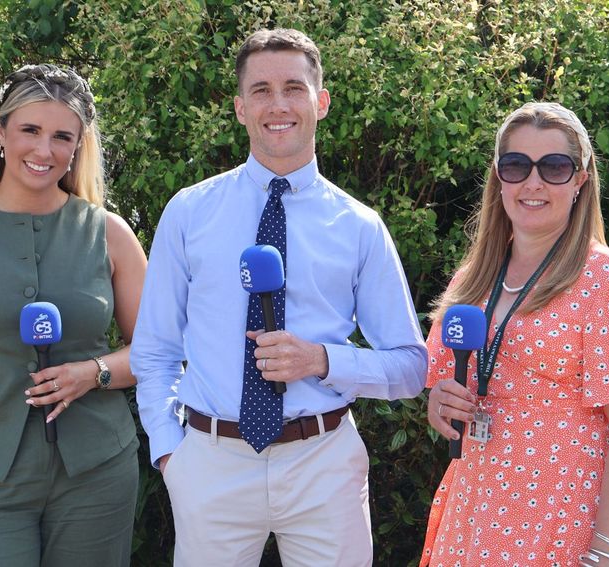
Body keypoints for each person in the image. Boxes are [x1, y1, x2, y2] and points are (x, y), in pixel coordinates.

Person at [130, 28, 427, 566]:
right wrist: (170, 452)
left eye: (293, 87)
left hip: (324, 465)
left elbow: (410, 368)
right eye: (261, 90)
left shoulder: (359, 226)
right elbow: (154, 348)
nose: (278, 104)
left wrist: (321, 360)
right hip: (209, 463)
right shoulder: (189, 212)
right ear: (241, 108)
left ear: (322, 101)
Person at [0, 63, 147, 567]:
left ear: (79, 144)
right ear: (1, 130)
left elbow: (156, 350)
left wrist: (94, 373)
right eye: (30, 130)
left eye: (62, 136)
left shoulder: (111, 234)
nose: (44, 151)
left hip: (97, 473)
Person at [420, 102, 609, 567]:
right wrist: (441, 401)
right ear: (499, 177)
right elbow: (449, 382)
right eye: (516, 165)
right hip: (478, 508)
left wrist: (605, 553)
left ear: (580, 180)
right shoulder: (475, 276)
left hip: (565, 521)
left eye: (555, 167)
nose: (533, 182)